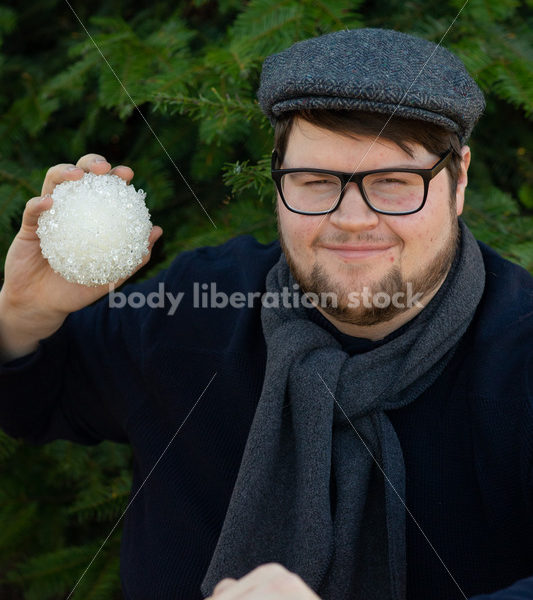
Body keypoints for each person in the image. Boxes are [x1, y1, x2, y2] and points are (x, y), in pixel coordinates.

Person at [0, 27, 532, 600]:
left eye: (393, 183)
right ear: (277, 180)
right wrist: (21, 314)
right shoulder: (196, 309)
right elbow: (36, 396)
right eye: (316, 181)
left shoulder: (520, 358)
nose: (352, 218)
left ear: (459, 180)